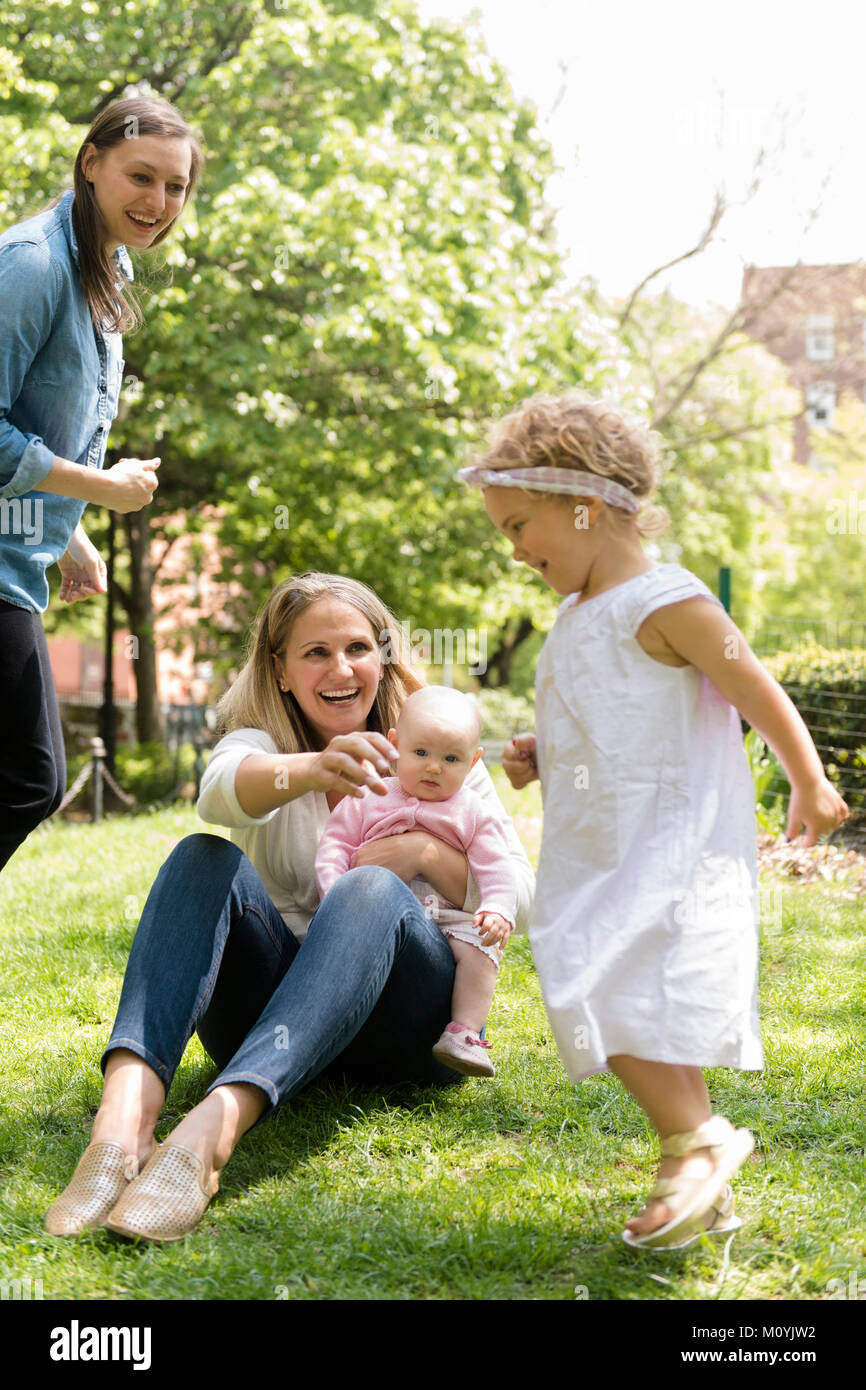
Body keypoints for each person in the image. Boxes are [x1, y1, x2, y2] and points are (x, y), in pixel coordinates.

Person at [459, 390, 849, 1251]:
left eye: (521, 525)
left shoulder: (667, 601)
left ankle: (697, 1144)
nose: (516, 550)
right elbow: (603, 717)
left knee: (600, 982)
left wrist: (809, 782)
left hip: (663, 848)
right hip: (596, 846)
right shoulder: (575, 615)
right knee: (620, 991)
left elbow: (755, 686)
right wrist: (539, 751)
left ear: (588, 506)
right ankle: (694, 1168)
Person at [44, 573, 534, 1243]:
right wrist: (313, 769)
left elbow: (519, 896)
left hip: (403, 1024)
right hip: (273, 1019)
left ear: (381, 657)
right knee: (201, 856)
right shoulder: (260, 746)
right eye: (315, 652)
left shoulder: (437, 745)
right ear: (279, 669)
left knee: (368, 889)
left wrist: (418, 851)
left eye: (359, 647)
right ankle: (120, 1128)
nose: (341, 669)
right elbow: (217, 794)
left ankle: (211, 1135)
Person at [0, 96, 204, 871]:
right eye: (140, 177)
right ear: (92, 165)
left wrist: (73, 528)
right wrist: (99, 486)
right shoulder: (35, 265)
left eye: (177, 187)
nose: (158, 203)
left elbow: (40, 422)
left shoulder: (106, 264)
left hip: (17, 556)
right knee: (31, 777)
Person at [316, 684, 517, 1077]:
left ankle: (464, 1033)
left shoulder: (474, 812)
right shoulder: (367, 797)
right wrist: (334, 892)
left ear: (473, 762)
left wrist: (495, 908)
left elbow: (497, 867)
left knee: (480, 953)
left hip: (451, 919)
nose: (433, 767)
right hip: (379, 915)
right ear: (394, 746)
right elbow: (335, 845)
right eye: (421, 753)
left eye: (451, 758)